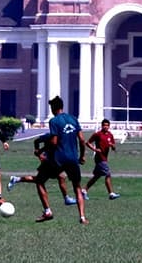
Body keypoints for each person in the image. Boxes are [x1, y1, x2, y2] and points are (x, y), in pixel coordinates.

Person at [46, 96, 88, 224]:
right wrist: (82, 156)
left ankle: (47, 210)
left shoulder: (54, 121)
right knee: (77, 187)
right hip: (72, 158)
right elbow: (81, 139)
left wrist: (44, 152)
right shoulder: (73, 119)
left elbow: (53, 142)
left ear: (53, 108)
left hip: (59, 158)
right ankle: (82, 217)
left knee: (40, 180)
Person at [8, 132, 59, 221]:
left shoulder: (63, 134)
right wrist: (39, 153)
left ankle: (16, 179)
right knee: (45, 179)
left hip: (55, 160)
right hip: (50, 161)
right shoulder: (49, 135)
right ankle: (65, 200)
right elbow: (36, 141)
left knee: (39, 180)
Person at [84, 119, 120, 200]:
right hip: (100, 158)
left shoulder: (110, 135)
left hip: (105, 157)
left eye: (107, 125)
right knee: (108, 174)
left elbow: (114, 148)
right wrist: (94, 149)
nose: (105, 127)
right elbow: (88, 142)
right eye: (104, 125)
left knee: (96, 176)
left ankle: (84, 190)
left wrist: (112, 146)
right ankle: (111, 193)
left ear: (109, 126)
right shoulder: (98, 134)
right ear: (102, 126)